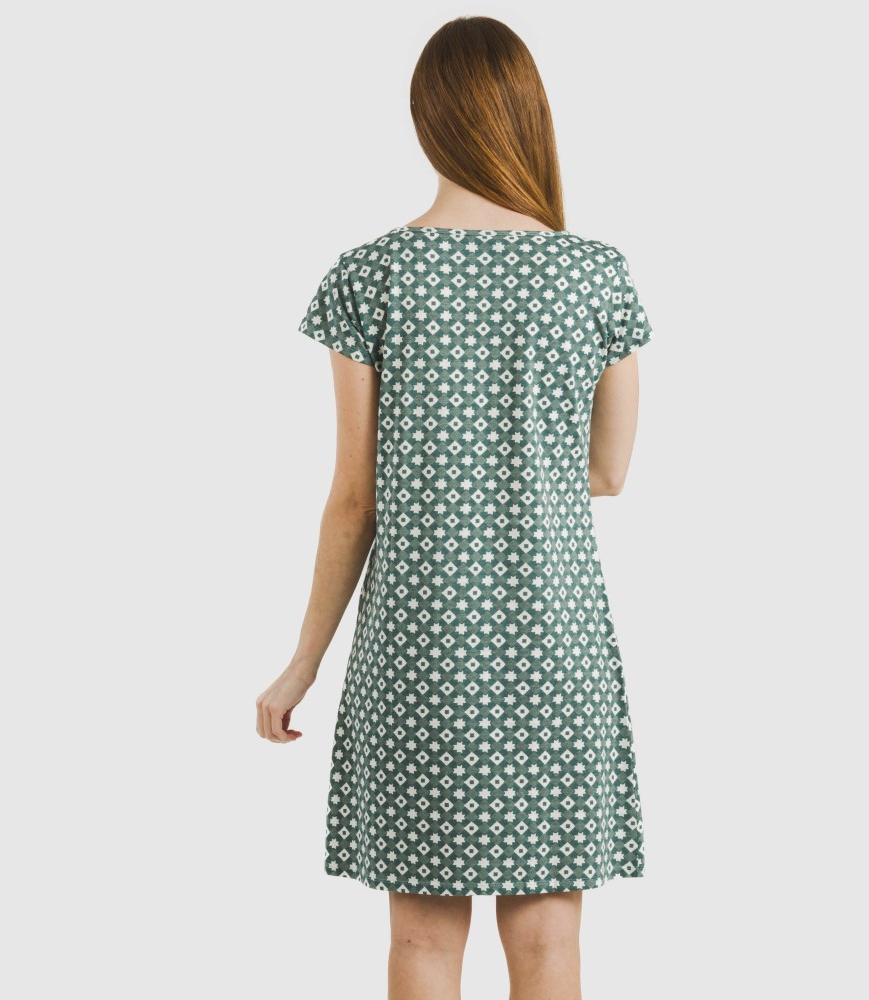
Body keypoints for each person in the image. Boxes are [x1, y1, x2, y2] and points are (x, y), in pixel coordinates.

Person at [255, 15, 652, 1000]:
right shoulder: (594, 275)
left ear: (427, 118)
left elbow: (355, 497)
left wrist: (303, 662)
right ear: (529, 117)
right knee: (549, 944)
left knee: (423, 944)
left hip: (421, 651)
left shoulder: (372, 275)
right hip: (554, 650)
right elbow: (609, 473)